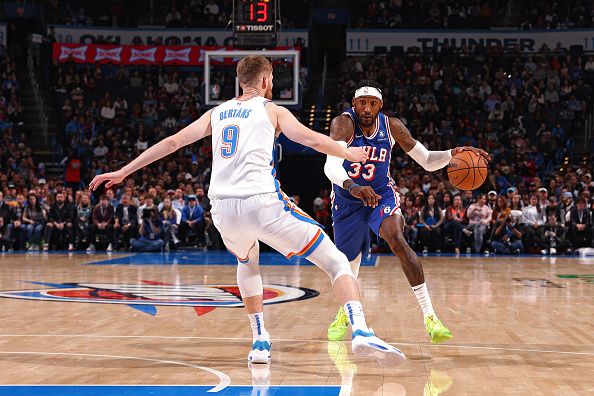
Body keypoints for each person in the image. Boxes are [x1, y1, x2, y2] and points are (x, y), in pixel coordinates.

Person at [89, 56, 406, 367]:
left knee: (247, 260)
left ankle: (259, 341)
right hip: (260, 202)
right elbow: (310, 139)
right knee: (337, 262)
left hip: (223, 209)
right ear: (267, 81)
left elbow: (172, 142)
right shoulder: (272, 110)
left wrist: (123, 171)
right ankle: (361, 331)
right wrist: (346, 150)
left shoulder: (217, 112)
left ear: (240, 81)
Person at [323, 79, 490, 344]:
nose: (367, 108)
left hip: (380, 196)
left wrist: (454, 153)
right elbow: (331, 167)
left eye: (373, 104)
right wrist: (354, 188)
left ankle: (430, 316)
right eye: (362, 103)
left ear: (380, 106)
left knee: (396, 238)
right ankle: (345, 312)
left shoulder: (392, 127)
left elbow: (426, 161)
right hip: (347, 199)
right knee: (347, 265)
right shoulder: (343, 124)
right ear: (354, 104)